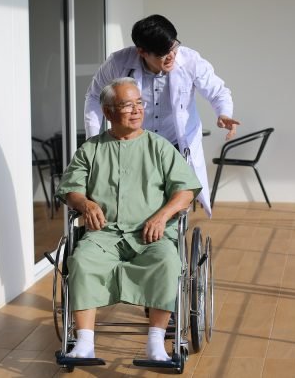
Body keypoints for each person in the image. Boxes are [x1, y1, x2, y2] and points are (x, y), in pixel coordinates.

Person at [56, 78, 201, 362]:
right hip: (103, 234)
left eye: (139, 103)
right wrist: (84, 203)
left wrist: (162, 216)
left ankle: (156, 343)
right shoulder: (91, 149)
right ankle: (84, 343)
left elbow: (185, 191)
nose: (136, 110)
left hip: (152, 234)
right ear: (109, 113)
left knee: (168, 262)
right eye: (127, 105)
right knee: (81, 261)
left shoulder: (159, 147)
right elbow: (70, 188)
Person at [84, 14, 238, 214]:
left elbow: (218, 92)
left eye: (174, 47)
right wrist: (93, 139)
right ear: (142, 52)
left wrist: (223, 113)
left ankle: (171, 239)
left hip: (175, 143)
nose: (172, 55)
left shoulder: (190, 60)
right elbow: (94, 96)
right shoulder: (119, 62)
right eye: (163, 53)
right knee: (137, 199)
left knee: (176, 202)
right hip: (135, 143)